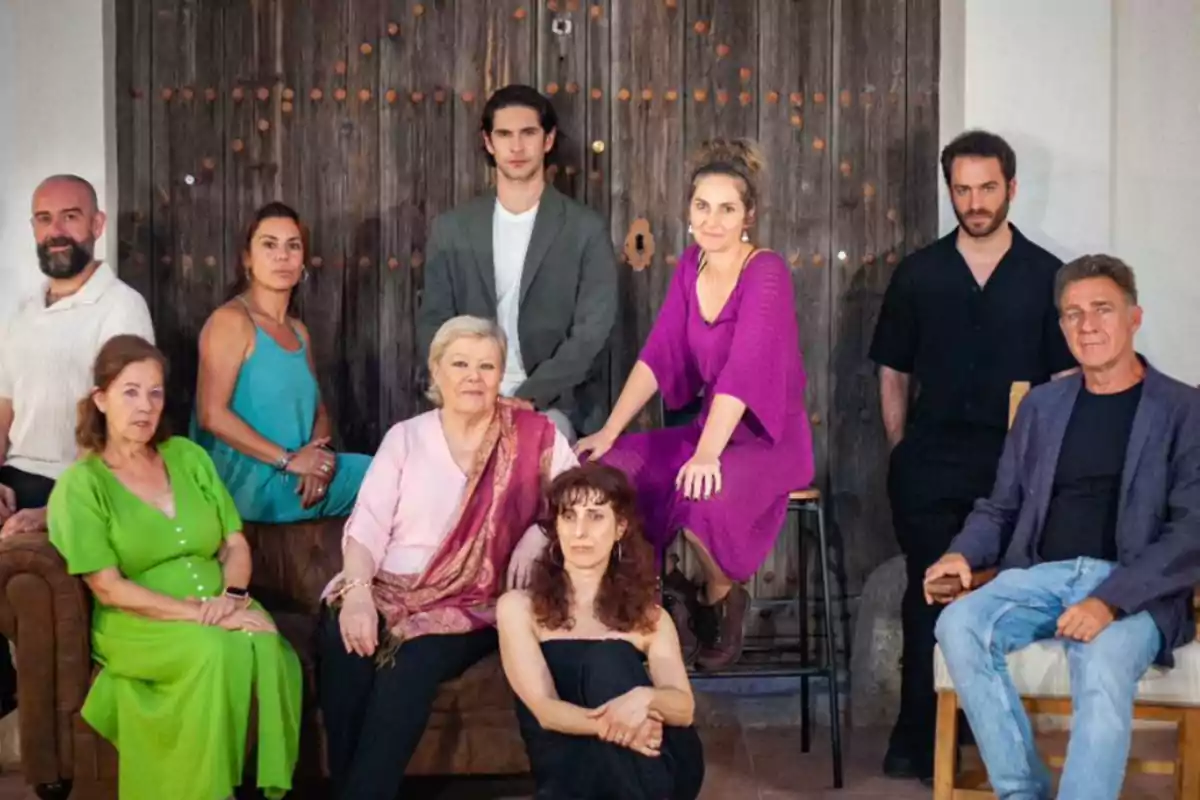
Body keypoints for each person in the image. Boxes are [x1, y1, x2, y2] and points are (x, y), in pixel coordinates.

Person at [926, 255, 1200, 800]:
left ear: (1134, 317)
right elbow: (1001, 506)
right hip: (1040, 577)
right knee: (958, 625)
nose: (1087, 325)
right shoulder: (1042, 406)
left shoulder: (1183, 408)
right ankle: (1022, 791)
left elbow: (1192, 530)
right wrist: (960, 554)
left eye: (1102, 309)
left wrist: (1110, 600)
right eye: (1073, 314)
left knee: (1100, 659)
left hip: (1134, 589)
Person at [868, 130, 1078, 781]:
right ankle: (917, 741)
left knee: (1003, 595)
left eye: (988, 187)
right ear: (949, 190)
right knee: (927, 591)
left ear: (1011, 188)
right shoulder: (919, 272)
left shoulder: (1048, 276)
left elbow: (1068, 380)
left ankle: (990, 739)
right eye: (963, 188)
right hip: (930, 462)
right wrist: (902, 449)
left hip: (1015, 468)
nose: (975, 201)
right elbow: (893, 371)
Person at [316, 315, 578, 800]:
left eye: (486, 366)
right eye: (459, 364)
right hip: (383, 583)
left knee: (408, 661)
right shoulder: (406, 437)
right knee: (343, 643)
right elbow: (368, 524)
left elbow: (578, 499)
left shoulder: (533, 435)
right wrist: (355, 594)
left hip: (472, 602)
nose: (473, 377)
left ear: (502, 376)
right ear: (436, 372)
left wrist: (540, 533)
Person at [577, 138, 814, 671]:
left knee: (701, 490)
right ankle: (667, 592)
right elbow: (659, 352)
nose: (712, 220)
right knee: (608, 470)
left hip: (766, 437)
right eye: (702, 206)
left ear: (748, 215)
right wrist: (611, 431)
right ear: (688, 211)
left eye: (727, 208)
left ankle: (719, 595)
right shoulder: (691, 265)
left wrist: (705, 455)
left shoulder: (766, 271)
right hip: (712, 427)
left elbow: (744, 368)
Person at [46, 334, 302, 800]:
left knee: (267, 647)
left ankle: (256, 792)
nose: (145, 406)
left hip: (221, 603)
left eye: (155, 392)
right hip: (137, 621)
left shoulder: (189, 456)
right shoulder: (82, 486)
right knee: (215, 651)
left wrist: (232, 599)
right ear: (101, 399)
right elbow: (108, 588)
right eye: (130, 391)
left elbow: (235, 544)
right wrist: (200, 615)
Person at [0, 174, 154, 714]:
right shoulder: (23, 312)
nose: (56, 230)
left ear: (97, 224)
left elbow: (128, 425)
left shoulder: (121, 308)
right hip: (15, 474)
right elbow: (5, 407)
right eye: (44, 219)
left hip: (77, 479)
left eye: (70, 216)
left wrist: (54, 510)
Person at [417, 84, 618, 442]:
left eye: (528, 133)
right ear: (489, 142)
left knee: (524, 459)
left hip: (553, 403)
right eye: (505, 134)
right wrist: (469, 392)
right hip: (468, 397)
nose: (517, 146)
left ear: (548, 139)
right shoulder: (452, 228)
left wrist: (527, 396)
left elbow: (591, 335)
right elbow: (435, 323)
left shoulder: (585, 228)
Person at [498, 462, 705, 800]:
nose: (580, 532)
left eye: (595, 516)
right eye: (569, 516)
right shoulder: (518, 608)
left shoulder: (650, 616)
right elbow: (545, 710)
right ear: (557, 527)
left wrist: (646, 698)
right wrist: (623, 729)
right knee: (603, 659)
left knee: (607, 659)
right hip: (574, 762)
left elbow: (683, 708)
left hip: (655, 758)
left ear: (620, 527)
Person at [192, 202, 370, 523]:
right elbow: (211, 414)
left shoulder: (298, 331)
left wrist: (320, 464)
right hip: (250, 485)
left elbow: (320, 413)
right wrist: (288, 461)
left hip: (297, 478)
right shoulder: (231, 322)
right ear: (247, 258)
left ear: (303, 259)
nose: (282, 256)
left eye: (293, 246)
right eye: (269, 244)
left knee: (400, 475)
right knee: (390, 475)